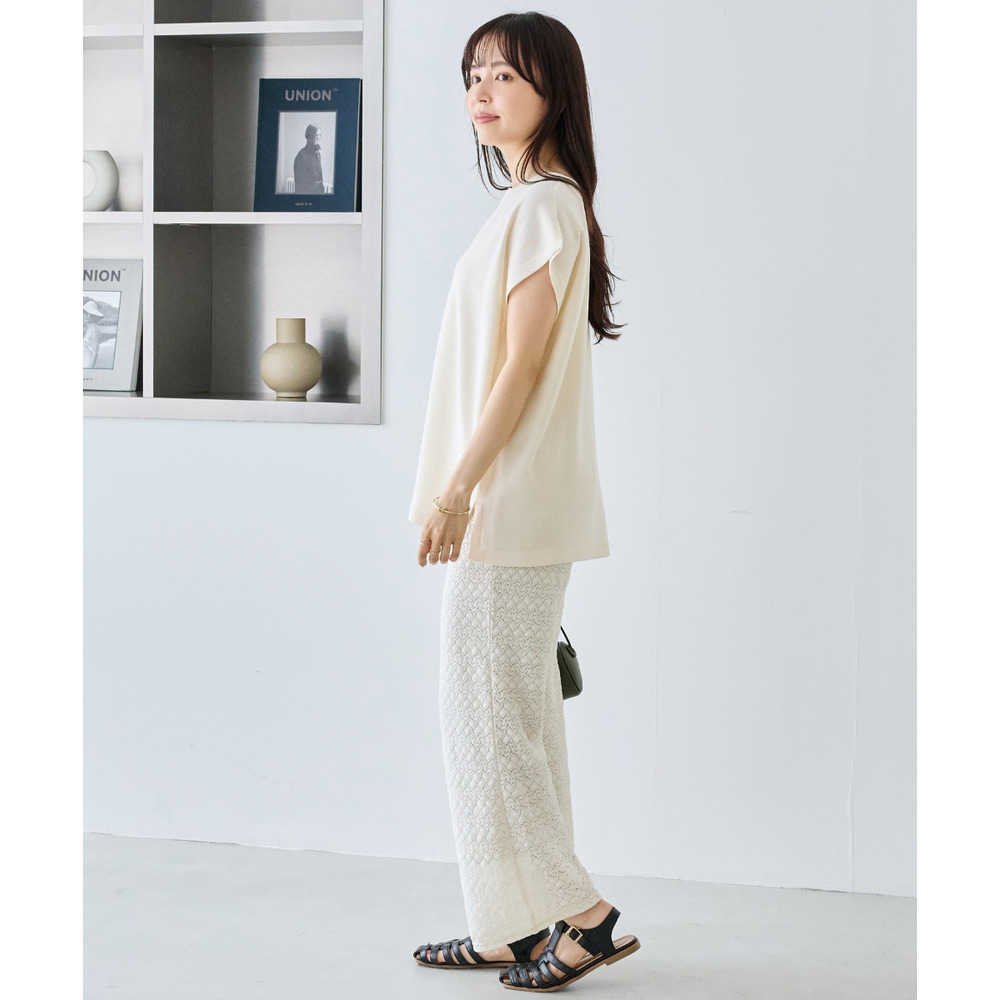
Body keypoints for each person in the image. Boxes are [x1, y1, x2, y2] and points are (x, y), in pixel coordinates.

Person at [408, 12, 640, 992]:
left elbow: (519, 368)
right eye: (474, 73)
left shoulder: (543, 206)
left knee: (489, 718)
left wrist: (457, 488)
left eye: (505, 74)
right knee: (514, 713)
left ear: (554, 91)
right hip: (517, 503)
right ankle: (513, 921)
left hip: (506, 505)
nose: (482, 90)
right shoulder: (537, 206)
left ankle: (583, 916)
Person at [292, 124, 324, 194]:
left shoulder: (318, 153)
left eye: (320, 135)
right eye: (316, 135)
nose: (319, 138)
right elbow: (300, 184)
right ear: (310, 135)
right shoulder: (301, 156)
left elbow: (320, 176)